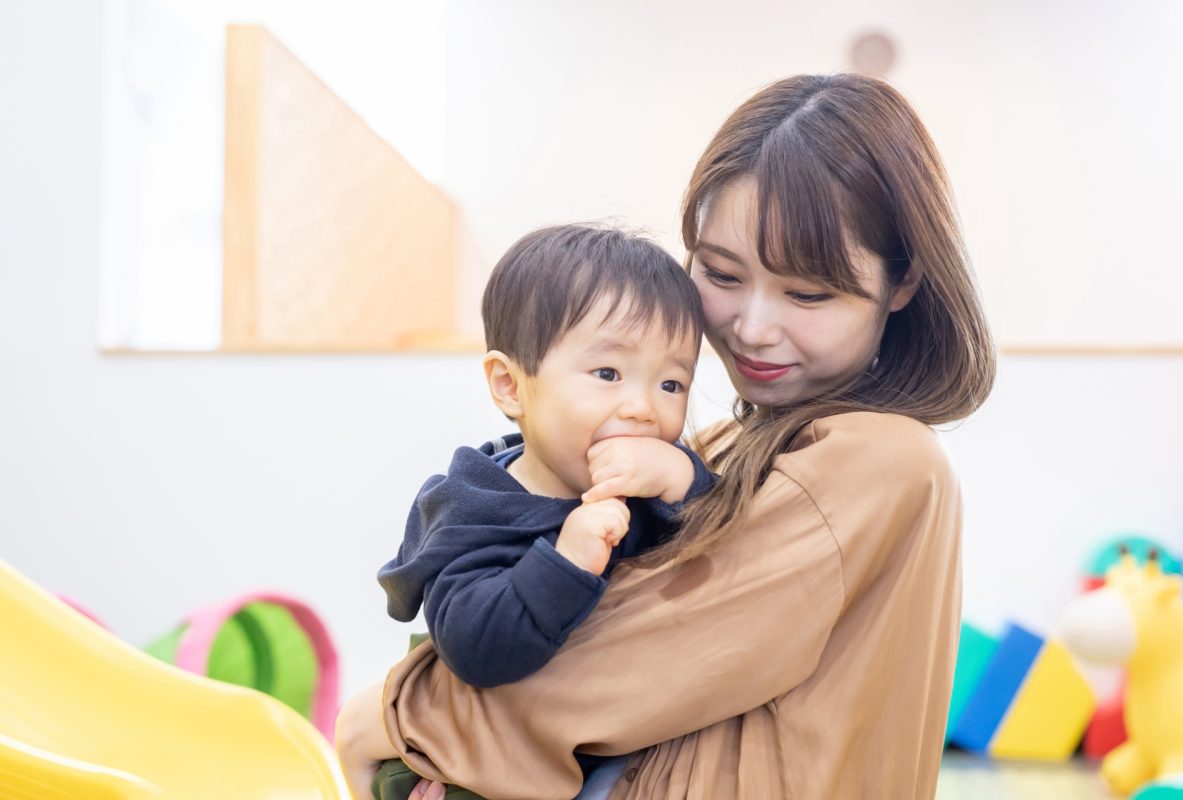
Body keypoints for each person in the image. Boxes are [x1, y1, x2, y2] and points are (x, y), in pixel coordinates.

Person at [335, 72, 997, 800]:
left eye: (807, 293)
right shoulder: (712, 448)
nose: (752, 328)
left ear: (902, 284)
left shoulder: (882, 461)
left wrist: (396, 716)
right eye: (721, 274)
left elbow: (620, 663)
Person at [344, 224, 718, 799]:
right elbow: (474, 651)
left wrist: (685, 480)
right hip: (470, 762)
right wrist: (566, 560)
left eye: (672, 383)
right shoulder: (474, 507)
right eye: (608, 374)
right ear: (510, 385)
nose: (643, 408)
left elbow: (729, 543)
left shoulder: (654, 483)